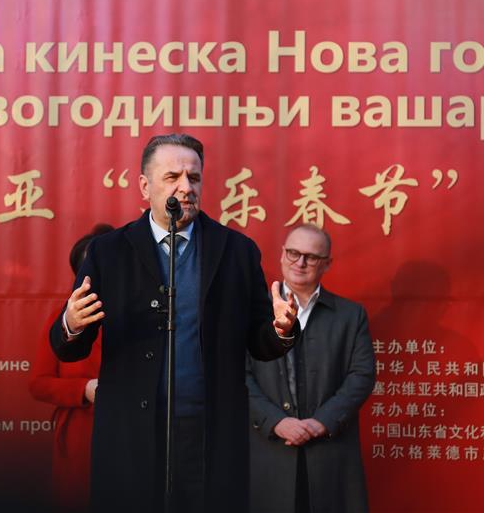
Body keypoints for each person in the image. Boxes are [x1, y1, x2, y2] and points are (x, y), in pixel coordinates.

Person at [49, 133, 298, 513]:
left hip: (210, 432)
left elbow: (260, 342)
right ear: (145, 186)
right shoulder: (108, 252)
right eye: (172, 177)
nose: (186, 187)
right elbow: (69, 348)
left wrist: (281, 330)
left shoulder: (236, 250)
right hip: (131, 433)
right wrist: (72, 323)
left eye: (194, 178)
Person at [246, 224, 376, 513]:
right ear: (282, 255)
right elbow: (238, 375)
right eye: (293, 253)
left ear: (327, 263)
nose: (300, 263)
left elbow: (362, 375)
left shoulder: (350, 315)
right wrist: (276, 421)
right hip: (267, 452)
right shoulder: (252, 312)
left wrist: (323, 421)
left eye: (311, 257)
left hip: (329, 452)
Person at [29, 223, 113, 513]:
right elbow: (38, 383)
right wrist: (84, 389)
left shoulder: (144, 314)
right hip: (80, 437)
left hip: (132, 433)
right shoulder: (63, 319)